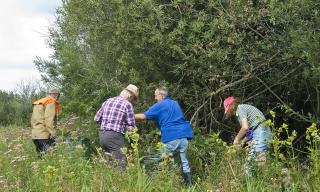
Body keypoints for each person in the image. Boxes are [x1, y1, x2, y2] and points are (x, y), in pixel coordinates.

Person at [135, 87, 193, 186]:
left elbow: (143, 116)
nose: (155, 98)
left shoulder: (160, 105)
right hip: (184, 136)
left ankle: (147, 184)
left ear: (161, 96)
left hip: (172, 137)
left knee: (149, 160)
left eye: (155, 95)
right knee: (183, 163)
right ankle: (189, 187)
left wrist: (128, 114)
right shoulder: (174, 103)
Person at [223, 96, 272, 176]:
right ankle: (266, 182)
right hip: (263, 131)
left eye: (228, 110)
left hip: (261, 131)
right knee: (260, 161)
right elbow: (250, 133)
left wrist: (236, 139)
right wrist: (242, 142)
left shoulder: (240, 108)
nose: (228, 113)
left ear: (232, 106)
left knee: (249, 165)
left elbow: (245, 128)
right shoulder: (241, 112)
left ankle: (252, 185)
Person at [94, 84, 138, 170]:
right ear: (130, 96)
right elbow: (131, 126)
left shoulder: (108, 101)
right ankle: (120, 182)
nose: (132, 101)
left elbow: (96, 118)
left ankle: (110, 182)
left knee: (110, 164)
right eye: (133, 98)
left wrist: (107, 123)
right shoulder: (127, 104)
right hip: (115, 136)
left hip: (102, 135)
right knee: (121, 163)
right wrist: (134, 138)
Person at [31, 89, 60, 153]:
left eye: (56, 94)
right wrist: (54, 134)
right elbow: (49, 120)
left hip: (35, 135)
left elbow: (32, 120)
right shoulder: (51, 102)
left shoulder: (38, 102)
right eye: (54, 94)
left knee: (41, 158)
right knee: (51, 157)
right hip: (45, 135)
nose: (55, 96)